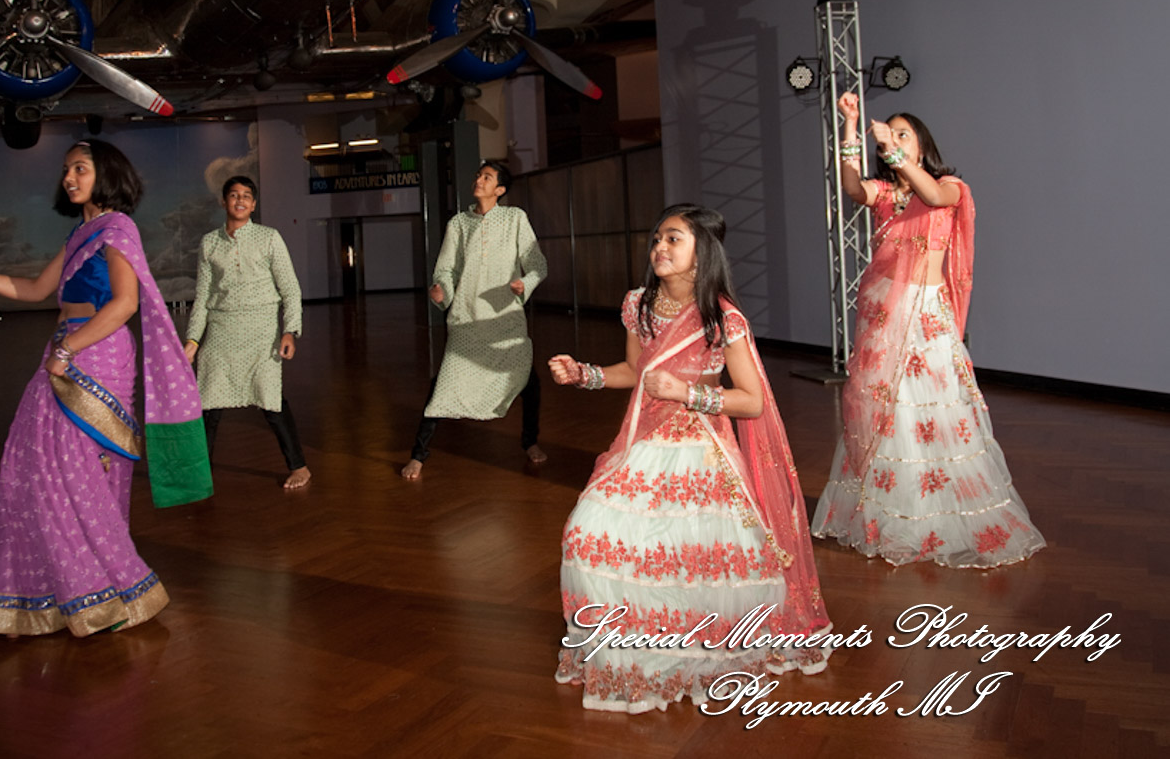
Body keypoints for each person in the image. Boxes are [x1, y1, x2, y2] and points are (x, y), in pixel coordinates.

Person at [550, 204, 832, 712]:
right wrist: (585, 374)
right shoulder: (638, 304)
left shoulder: (722, 317)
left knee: (692, 561)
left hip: (701, 448)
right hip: (644, 443)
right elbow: (636, 370)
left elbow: (752, 400)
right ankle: (630, 649)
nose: (660, 247)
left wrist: (687, 392)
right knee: (587, 534)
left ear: (702, 254)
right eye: (657, 238)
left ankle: (698, 649)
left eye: (673, 239)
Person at [0, 139, 206, 637]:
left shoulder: (118, 229)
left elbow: (123, 304)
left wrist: (68, 349)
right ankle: (52, 591)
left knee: (75, 469)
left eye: (80, 168)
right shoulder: (81, 233)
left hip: (94, 355)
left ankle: (112, 591)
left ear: (106, 174)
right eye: (66, 170)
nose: (69, 177)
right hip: (64, 349)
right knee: (33, 466)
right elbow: (36, 290)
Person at [811, 97, 1044, 567]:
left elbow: (933, 198)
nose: (894, 142)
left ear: (922, 146)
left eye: (904, 135)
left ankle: (940, 507)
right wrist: (852, 125)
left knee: (935, 408)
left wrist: (891, 151)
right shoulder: (888, 194)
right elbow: (854, 188)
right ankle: (890, 511)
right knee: (887, 409)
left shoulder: (951, 188)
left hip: (925, 315)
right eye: (890, 135)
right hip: (883, 313)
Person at [402, 160, 547, 480]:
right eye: (478, 174)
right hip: (466, 317)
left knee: (527, 381)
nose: (478, 180)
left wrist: (526, 283)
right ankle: (418, 454)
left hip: (505, 316)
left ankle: (530, 442)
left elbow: (537, 263)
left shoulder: (515, 218)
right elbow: (445, 269)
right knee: (443, 384)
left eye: (487, 177)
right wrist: (443, 291)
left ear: (500, 190)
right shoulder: (459, 224)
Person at [183, 175, 311, 490]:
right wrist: (193, 340)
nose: (240, 200)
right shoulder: (209, 243)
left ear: (253, 204)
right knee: (208, 407)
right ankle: (200, 472)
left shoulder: (269, 238)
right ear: (224, 201)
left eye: (246, 196)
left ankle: (300, 467)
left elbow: (290, 289)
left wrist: (290, 330)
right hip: (221, 331)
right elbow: (202, 297)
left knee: (272, 403)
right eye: (233, 195)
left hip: (262, 331)